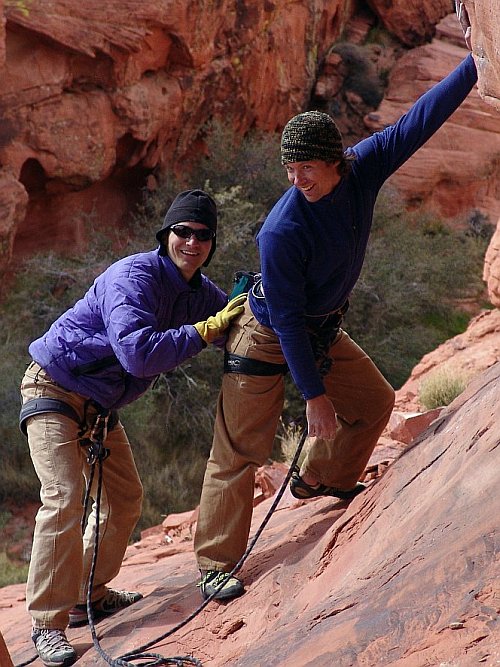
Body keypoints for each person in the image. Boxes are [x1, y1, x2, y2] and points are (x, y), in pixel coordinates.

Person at [193, 32, 478, 601]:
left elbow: (417, 122)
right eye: (290, 169)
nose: (298, 180)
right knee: (239, 452)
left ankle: (320, 478)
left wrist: (477, 62)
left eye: (306, 167)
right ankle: (214, 565)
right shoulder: (282, 231)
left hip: (320, 327)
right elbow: (287, 323)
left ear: (335, 162)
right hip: (266, 335)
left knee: (373, 402)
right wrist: (314, 397)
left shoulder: (361, 169)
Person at [19, 189, 245, 667]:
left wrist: (262, 301)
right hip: (54, 388)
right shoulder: (133, 276)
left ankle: (88, 594)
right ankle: (46, 625)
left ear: (211, 244)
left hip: (98, 407)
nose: (192, 242)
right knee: (63, 496)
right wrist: (203, 331)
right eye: (183, 232)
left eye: (204, 235)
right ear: (166, 235)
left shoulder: (198, 291)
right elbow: (139, 356)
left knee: (123, 499)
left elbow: (231, 322)